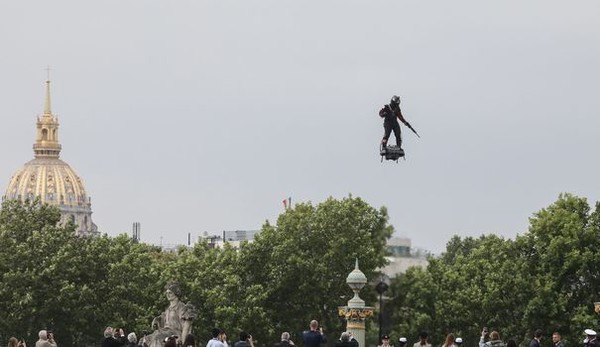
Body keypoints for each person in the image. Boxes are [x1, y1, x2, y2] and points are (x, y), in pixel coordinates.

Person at [146, 282, 196, 347]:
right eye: (167, 293)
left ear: (176, 294)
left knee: (157, 336)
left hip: (175, 334)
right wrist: (157, 320)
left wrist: (183, 342)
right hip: (165, 331)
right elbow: (163, 320)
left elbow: (186, 327)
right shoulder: (168, 309)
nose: (168, 295)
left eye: (170, 293)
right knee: (145, 339)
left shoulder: (182, 307)